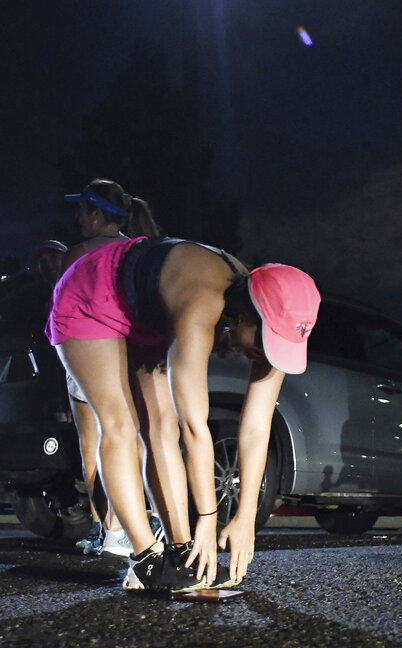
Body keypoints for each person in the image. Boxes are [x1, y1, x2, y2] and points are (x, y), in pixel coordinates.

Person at [47, 185, 321, 594]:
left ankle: (180, 552)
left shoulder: (274, 314)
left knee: (161, 426)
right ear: (245, 314)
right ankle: (146, 558)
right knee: (122, 424)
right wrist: (208, 519)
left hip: (147, 305)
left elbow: (256, 429)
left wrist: (245, 517)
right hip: (91, 295)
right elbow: (196, 429)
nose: (265, 355)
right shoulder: (199, 308)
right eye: (263, 342)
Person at [60, 179, 164, 558]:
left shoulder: (77, 254)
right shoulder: (137, 250)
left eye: (82, 211)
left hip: (90, 350)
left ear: (96, 213)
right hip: (132, 350)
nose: (78, 218)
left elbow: (63, 307)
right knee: (134, 435)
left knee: (94, 441)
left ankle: (111, 530)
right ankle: (141, 520)